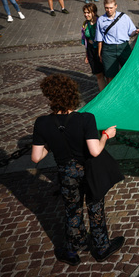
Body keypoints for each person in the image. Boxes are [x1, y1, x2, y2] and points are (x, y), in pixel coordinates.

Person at [31, 74, 124, 266]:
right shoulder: (86, 119)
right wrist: (106, 135)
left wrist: (52, 142)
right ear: (73, 94)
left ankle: (73, 249)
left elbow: (36, 157)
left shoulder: (42, 123)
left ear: (50, 97)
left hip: (66, 173)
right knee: (95, 206)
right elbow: (95, 151)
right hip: (88, 170)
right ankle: (101, 247)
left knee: (72, 210)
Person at [95, 0, 139, 82]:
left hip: (124, 48)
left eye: (111, 8)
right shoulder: (101, 20)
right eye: (106, 8)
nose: (109, 10)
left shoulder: (124, 17)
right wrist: (99, 54)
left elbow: (131, 32)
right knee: (110, 76)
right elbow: (99, 39)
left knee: (130, 71)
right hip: (108, 50)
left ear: (116, 6)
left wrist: (136, 32)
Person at [81, 3, 106, 91]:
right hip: (91, 51)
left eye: (88, 12)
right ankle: (103, 94)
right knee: (98, 74)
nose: (86, 15)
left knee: (107, 74)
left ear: (94, 12)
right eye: (85, 12)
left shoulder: (101, 22)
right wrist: (87, 55)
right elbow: (85, 41)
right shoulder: (85, 24)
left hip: (102, 50)